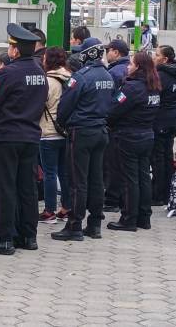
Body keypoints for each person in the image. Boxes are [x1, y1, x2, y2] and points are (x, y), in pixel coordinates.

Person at [0, 24, 49, 255]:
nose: (9, 50)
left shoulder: (8, 73)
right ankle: (28, 236)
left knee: (5, 188)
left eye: (11, 46)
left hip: (6, 136)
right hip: (31, 136)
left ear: (16, 50)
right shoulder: (40, 72)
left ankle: (4, 239)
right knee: (27, 188)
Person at [52, 37, 114, 241]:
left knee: (78, 181)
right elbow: (114, 102)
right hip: (101, 131)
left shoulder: (81, 77)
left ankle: (74, 225)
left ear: (88, 54)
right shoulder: (107, 75)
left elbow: (65, 106)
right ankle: (95, 224)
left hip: (82, 132)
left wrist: (62, 123)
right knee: (96, 180)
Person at [106, 52, 160, 232]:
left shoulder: (132, 88)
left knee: (130, 179)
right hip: (146, 135)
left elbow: (113, 110)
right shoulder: (153, 86)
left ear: (138, 67)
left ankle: (129, 218)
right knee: (143, 177)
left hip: (129, 136)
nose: (128, 67)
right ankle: (144, 217)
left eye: (130, 64)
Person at [38, 47, 72, 223]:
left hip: (49, 132)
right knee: (64, 172)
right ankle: (66, 208)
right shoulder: (70, 77)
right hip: (66, 132)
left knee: (50, 173)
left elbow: (40, 104)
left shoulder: (48, 81)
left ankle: (49, 211)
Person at [151, 45, 176, 206]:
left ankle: (158, 194)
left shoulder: (160, 76)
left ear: (165, 59)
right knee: (166, 156)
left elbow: (154, 98)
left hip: (160, 121)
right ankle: (167, 190)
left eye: (156, 55)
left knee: (158, 158)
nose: (153, 57)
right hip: (172, 120)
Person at [101, 39, 130, 211]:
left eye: (108, 51)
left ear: (116, 52)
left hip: (115, 126)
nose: (106, 54)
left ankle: (112, 199)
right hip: (129, 126)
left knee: (112, 165)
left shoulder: (113, 73)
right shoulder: (128, 69)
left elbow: (110, 101)